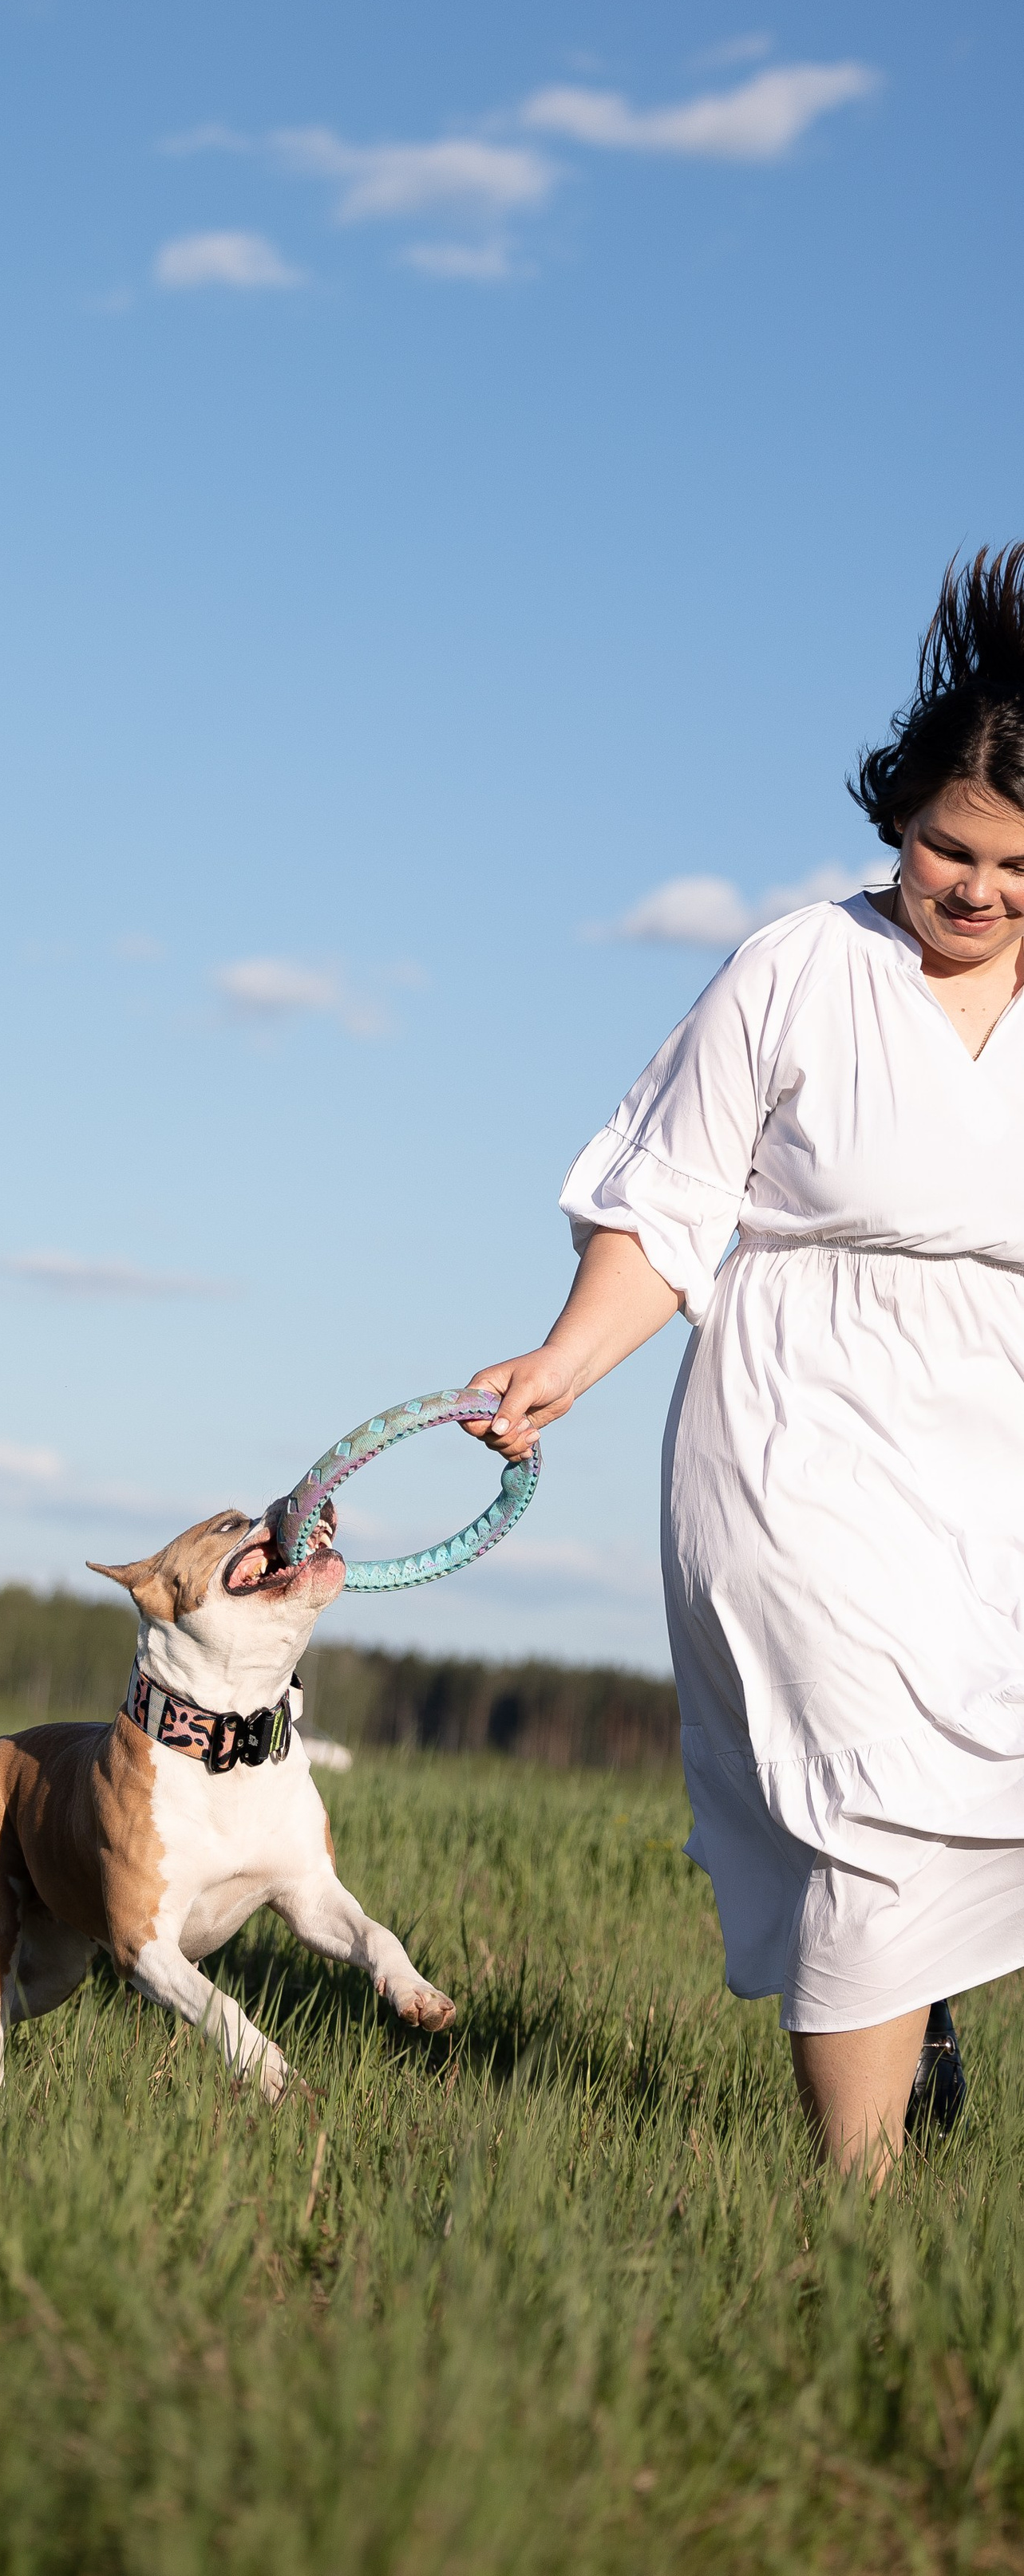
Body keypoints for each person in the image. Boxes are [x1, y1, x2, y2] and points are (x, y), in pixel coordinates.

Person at [467, 546, 1024, 2176]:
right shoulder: (796, 967)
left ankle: (909, 2004)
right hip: (788, 1425)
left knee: (967, 1767)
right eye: (943, 845)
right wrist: (565, 1358)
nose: (973, 886)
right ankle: (852, 2205)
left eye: (1011, 861)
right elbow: (670, 1195)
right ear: (892, 822)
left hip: (987, 1435)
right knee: (855, 1775)